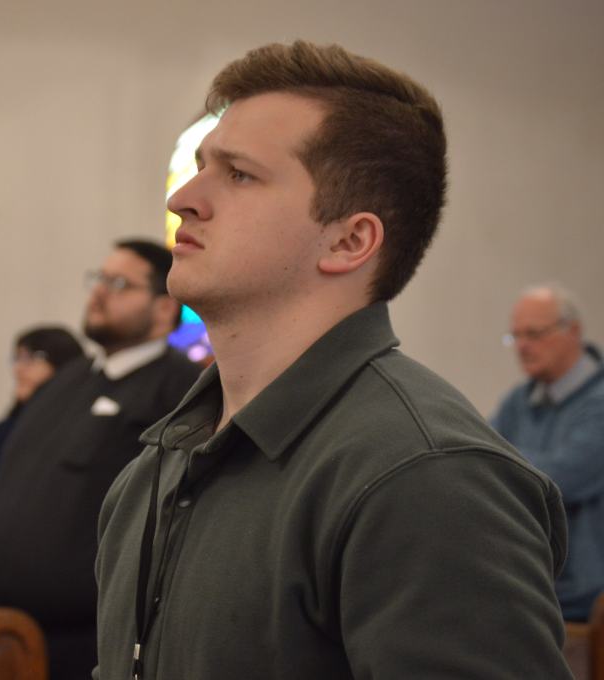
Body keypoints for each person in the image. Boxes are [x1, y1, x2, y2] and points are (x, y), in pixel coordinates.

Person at [94, 41, 571, 679]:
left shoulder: (426, 479)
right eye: (201, 165)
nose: (183, 200)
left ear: (349, 241)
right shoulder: (158, 467)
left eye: (239, 174)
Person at [0, 239, 201, 680]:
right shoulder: (68, 380)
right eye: (99, 279)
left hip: (82, 647)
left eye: (119, 284)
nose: (99, 292)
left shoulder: (178, 390)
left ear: (164, 308)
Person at [492, 283, 604, 622]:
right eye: (516, 336)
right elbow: (478, 457)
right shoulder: (518, 401)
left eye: (534, 334)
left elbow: (559, 479)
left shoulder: (598, 403)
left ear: (573, 332)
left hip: (581, 599)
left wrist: (502, 461)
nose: (522, 346)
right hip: (527, 586)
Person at [0, 325, 85, 562]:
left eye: (33, 358)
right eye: (18, 358)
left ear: (66, 367)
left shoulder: (84, 434)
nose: (19, 369)